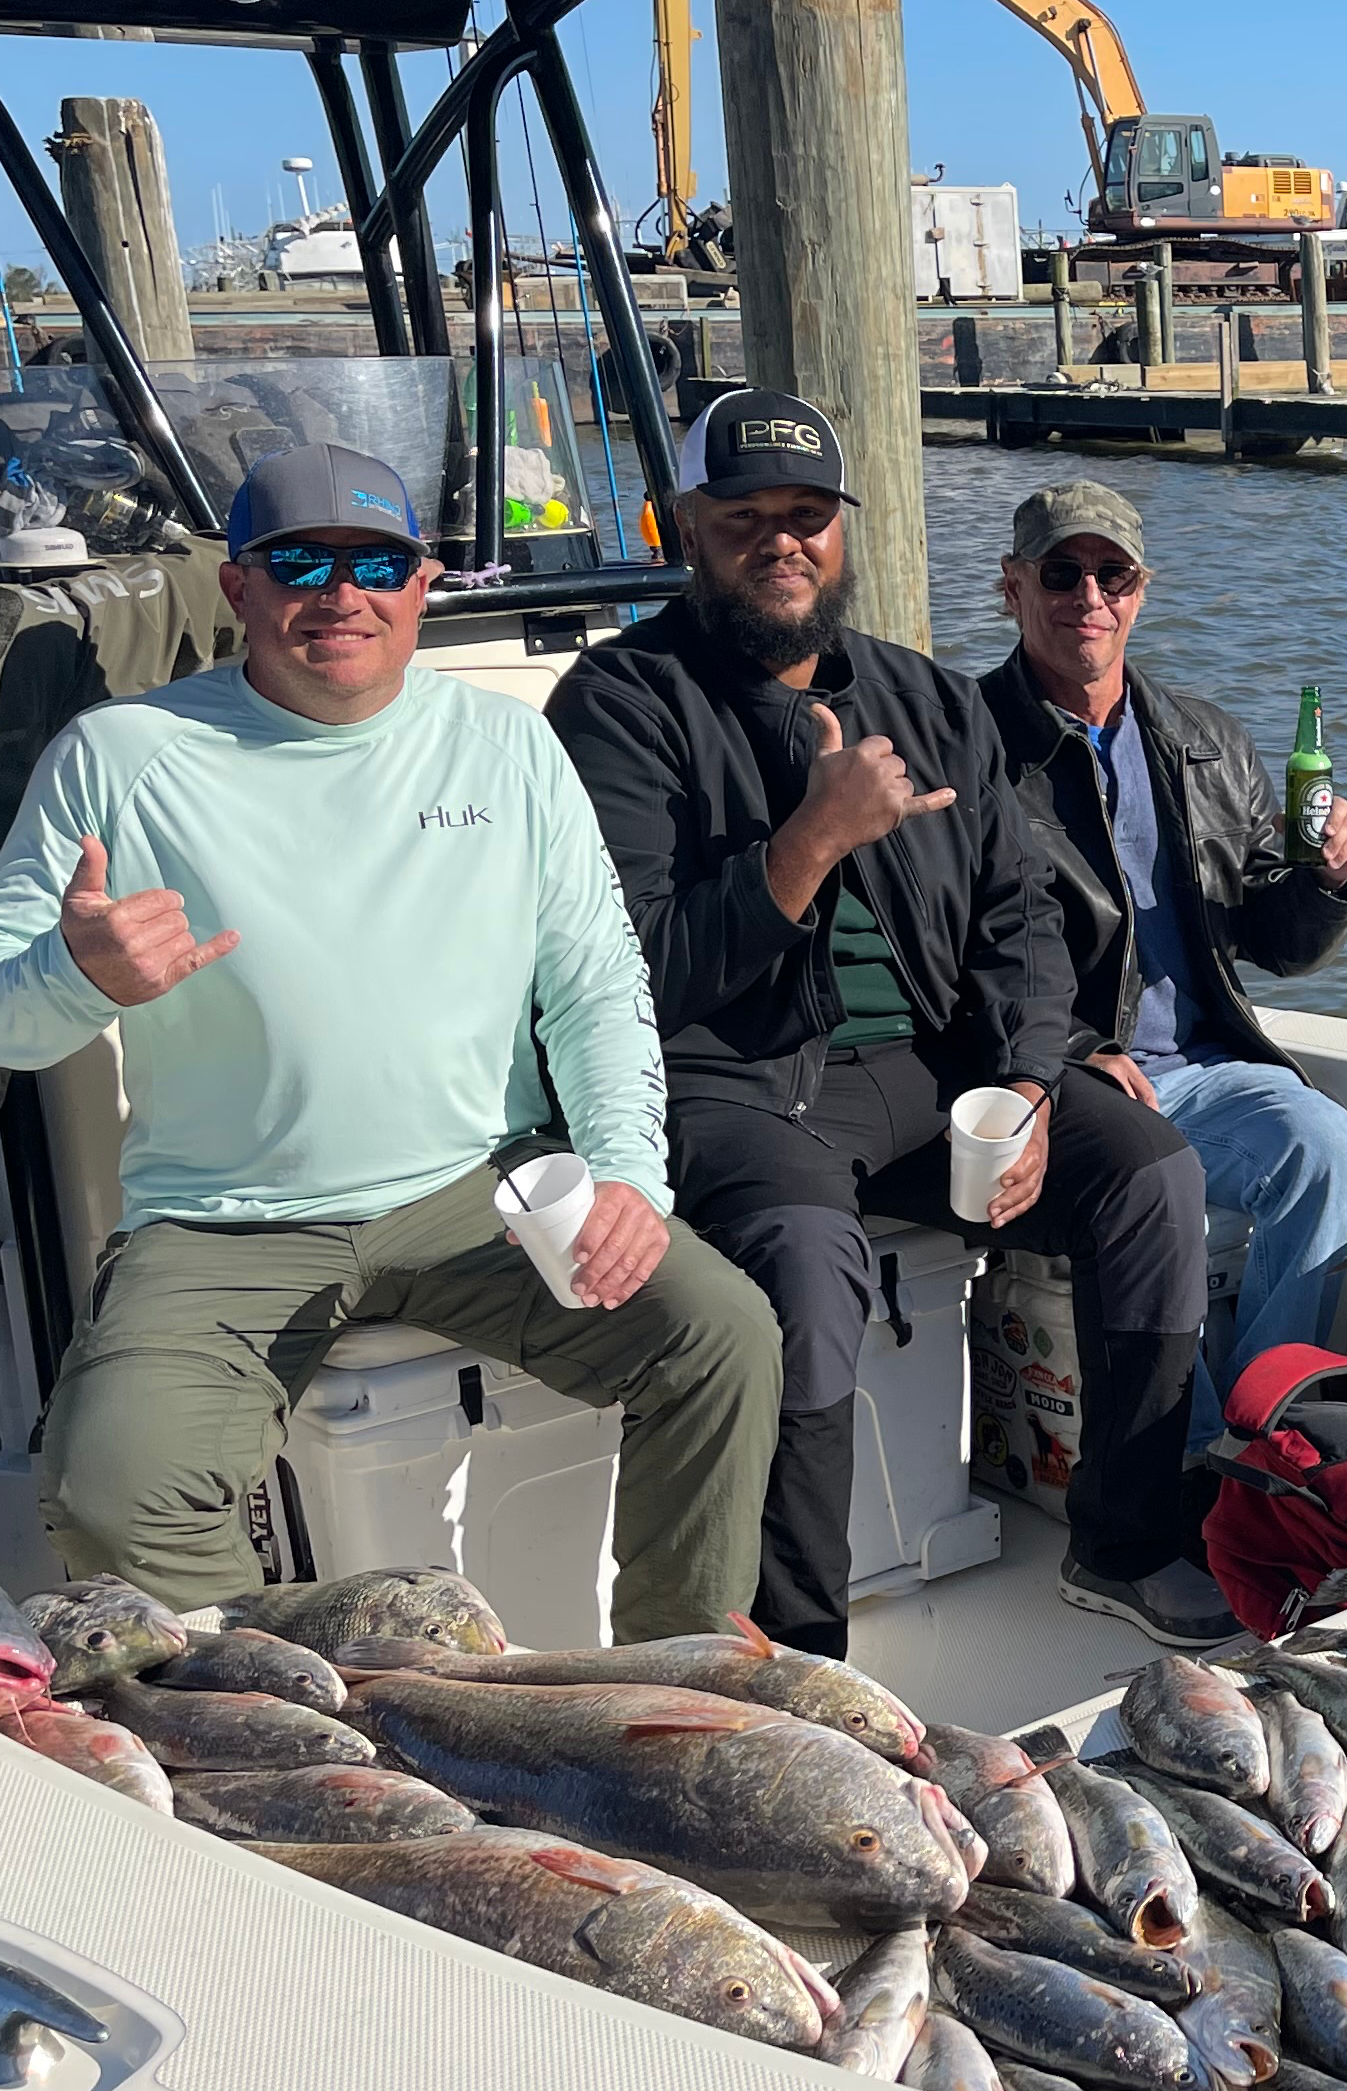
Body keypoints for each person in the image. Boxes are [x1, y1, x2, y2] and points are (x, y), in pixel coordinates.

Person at [0, 442, 779, 1631]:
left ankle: (675, 1683)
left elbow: (594, 983)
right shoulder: (116, 756)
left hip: (480, 1188)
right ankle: (297, 1696)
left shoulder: (509, 745)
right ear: (238, 587)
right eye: (298, 563)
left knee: (722, 1334)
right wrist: (78, 974)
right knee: (111, 1489)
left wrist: (627, 1174)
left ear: (423, 585)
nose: (339, 595)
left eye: (374, 564)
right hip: (224, 1218)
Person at [549, 392, 1233, 1654]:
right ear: (685, 528)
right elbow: (631, 975)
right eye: (744, 518)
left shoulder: (929, 699)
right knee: (808, 1267)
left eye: (808, 515)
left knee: (1150, 1173)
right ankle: (805, 1655)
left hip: (928, 1068)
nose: (782, 541)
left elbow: (1022, 924)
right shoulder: (619, 704)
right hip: (734, 1080)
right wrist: (812, 838)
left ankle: (1127, 1540)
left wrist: (1030, 1081)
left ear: (843, 529)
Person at [977, 481, 1347, 1439]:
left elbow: (1277, 945)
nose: (1090, 597)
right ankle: (1181, 1457)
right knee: (1150, 1190)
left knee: (1330, 1152)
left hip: (1203, 1068)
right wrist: (1073, 1052)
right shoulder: (966, 742)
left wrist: (1333, 878)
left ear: (1141, 592)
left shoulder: (1207, 740)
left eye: (1112, 575)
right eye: (1062, 573)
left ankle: (1260, 1422)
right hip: (1058, 1079)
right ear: (1013, 587)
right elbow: (941, 948)